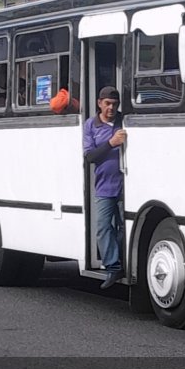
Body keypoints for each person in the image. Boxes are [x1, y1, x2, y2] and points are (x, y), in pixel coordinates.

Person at [83, 86, 126, 289]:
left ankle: (122, 265)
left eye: (115, 104)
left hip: (127, 184)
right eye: (107, 104)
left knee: (123, 227)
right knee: (102, 227)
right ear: (99, 103)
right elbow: (90, 156)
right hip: (104, 186)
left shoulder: (125, 121)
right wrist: (111, 142)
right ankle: (113, 267)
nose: (111, 108)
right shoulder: (91, 125)